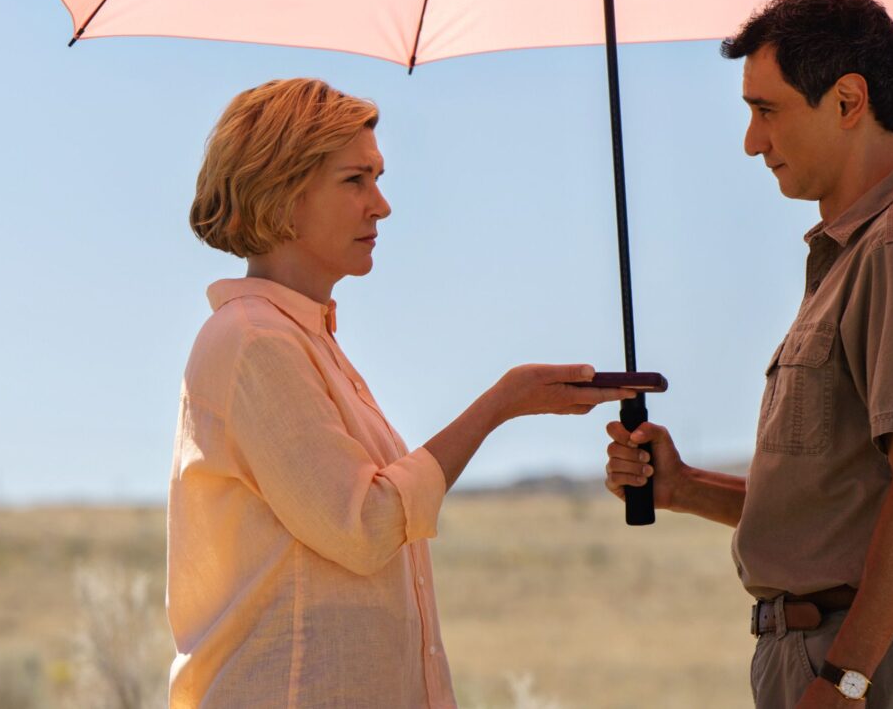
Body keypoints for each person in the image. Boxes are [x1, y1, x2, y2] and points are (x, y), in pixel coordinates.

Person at [168, 78, 635, 708]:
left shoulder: (299, 338)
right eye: (355, 180)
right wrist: (503, 402)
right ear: (283, 193)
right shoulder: (256, 342)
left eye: (377, 179)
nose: (381, 206)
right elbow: (367, 523)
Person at [603, 0, 893, 708]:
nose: (752, 141)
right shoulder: (863, 253)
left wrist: (844, 679)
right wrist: (683, 486)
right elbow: (843, 505)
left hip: (865, 664)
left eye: (767, 110)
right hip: (838, 659)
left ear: (848, 101)